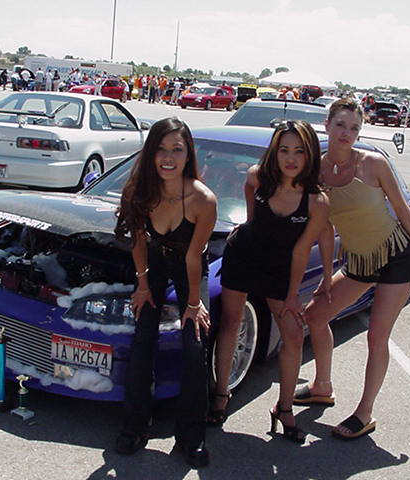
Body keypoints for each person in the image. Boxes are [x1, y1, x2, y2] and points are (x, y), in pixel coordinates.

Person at [294, 98, 410, 440]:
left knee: (376, 336)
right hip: (359, 261)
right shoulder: (316, 172)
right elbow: (325, 227)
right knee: (314, 316)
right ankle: (322, 386)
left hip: (397, 256)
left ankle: (364, 412)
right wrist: (325, 277)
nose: (347, 133)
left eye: (354, 127)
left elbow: (402, 208)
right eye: (340, 125)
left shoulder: (373, 164)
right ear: (327, 125)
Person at [209, 120, 330, 444]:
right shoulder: (258, 177)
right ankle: (221, 394)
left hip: (280, 268)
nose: (290, 158)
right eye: (283, 150)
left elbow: (302, 250)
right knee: (231, 322)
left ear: (310, 154)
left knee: (293, 334)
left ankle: (284, 408)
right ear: (274, 152)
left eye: (299, 151)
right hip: (244, 257)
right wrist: (249, 225)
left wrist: (292, 295)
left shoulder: (316, 201)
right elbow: (250, 201)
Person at [114, 118, 217, 468]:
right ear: (151, 153)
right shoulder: (139, 190)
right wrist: (143, 286)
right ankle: (134, 426)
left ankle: (191, 437)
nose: (168, 158)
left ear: (189, 154)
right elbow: (138, 242)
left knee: (195, 344)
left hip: (190, 266)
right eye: (161, 149)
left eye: (177, 149)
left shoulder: (203, 200)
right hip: (154, 262)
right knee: (143, 337)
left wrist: (193, 305)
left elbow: (193, 257)